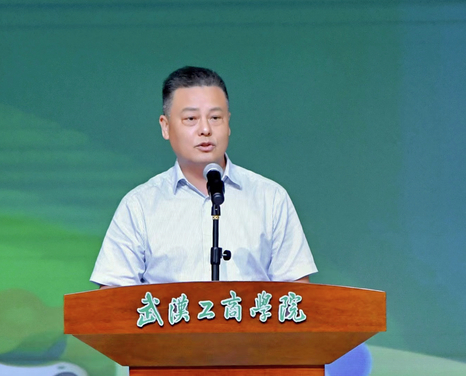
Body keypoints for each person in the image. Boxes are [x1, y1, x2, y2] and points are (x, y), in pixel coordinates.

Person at [90, 66, 317, 287]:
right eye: (191, 119)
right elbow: (112, 297)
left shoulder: (270, 198)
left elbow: (297, 295)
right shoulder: (139, 205)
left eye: (215, 118)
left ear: (228, 123)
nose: (205, 129)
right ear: (165, 126)